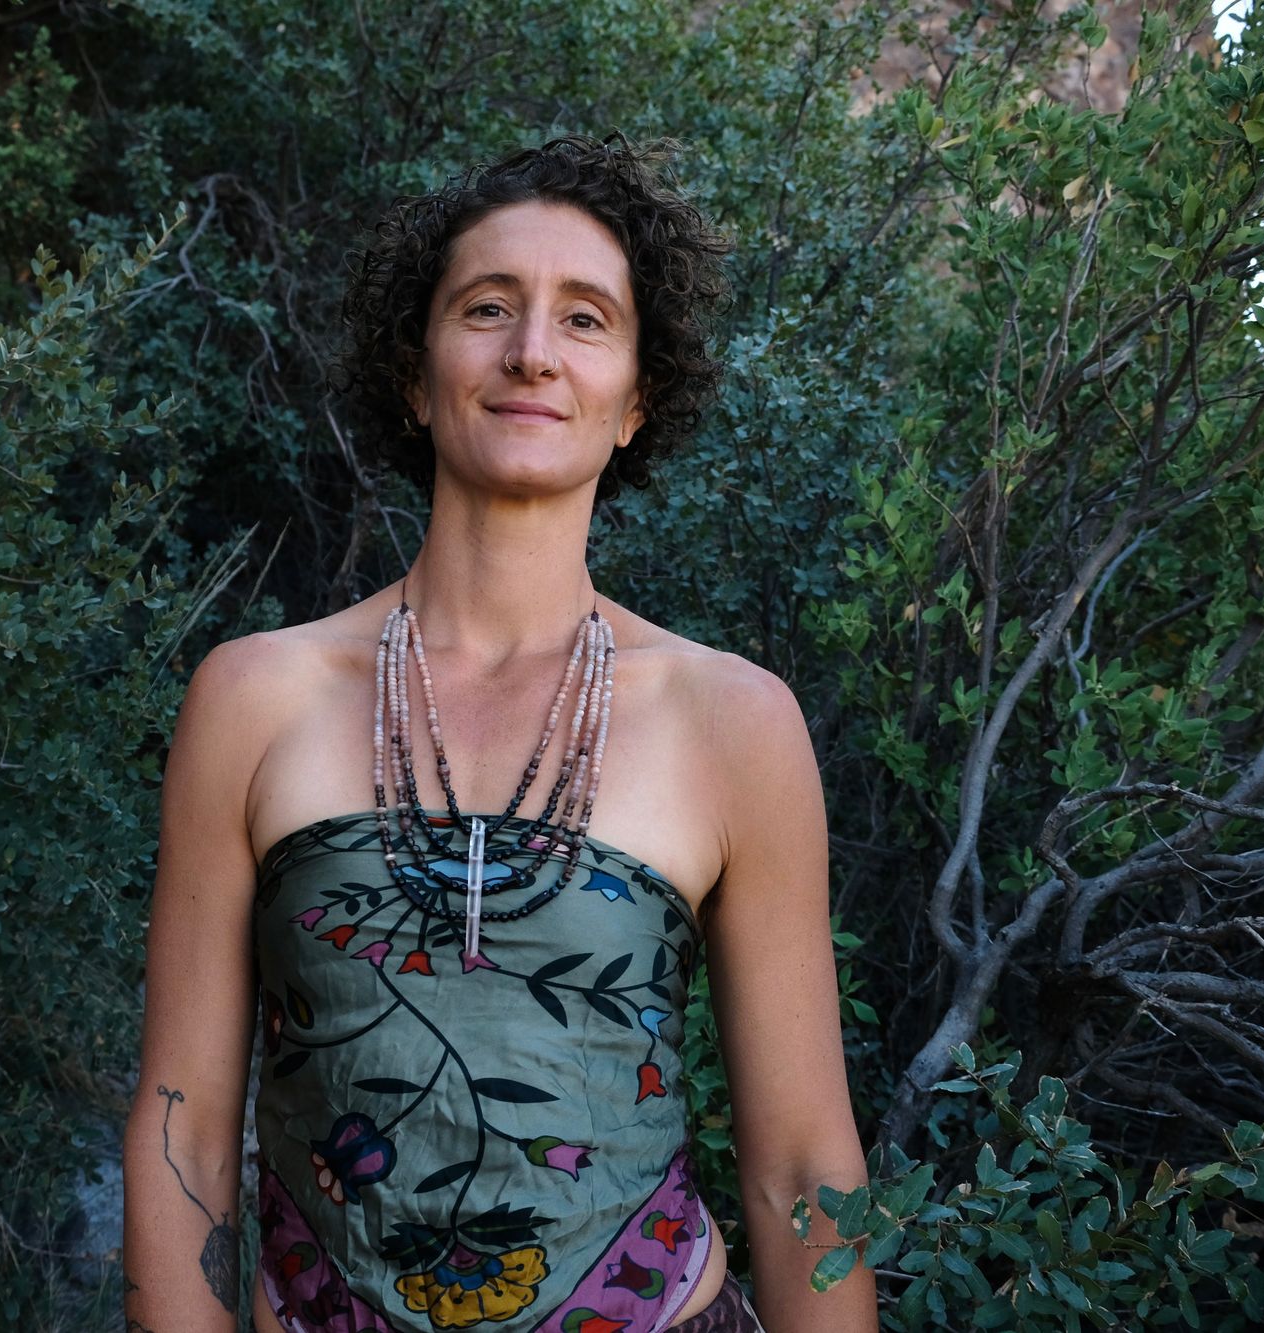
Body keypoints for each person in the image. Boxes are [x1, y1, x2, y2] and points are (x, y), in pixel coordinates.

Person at [123, 132, 873, 1333]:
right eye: (486, 308)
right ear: (414, 377)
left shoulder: (730, 720)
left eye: (584, 319)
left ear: (635, 401)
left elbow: (799, 1166)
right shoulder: (253, 698)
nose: (531, 351)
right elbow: (184, 1128)